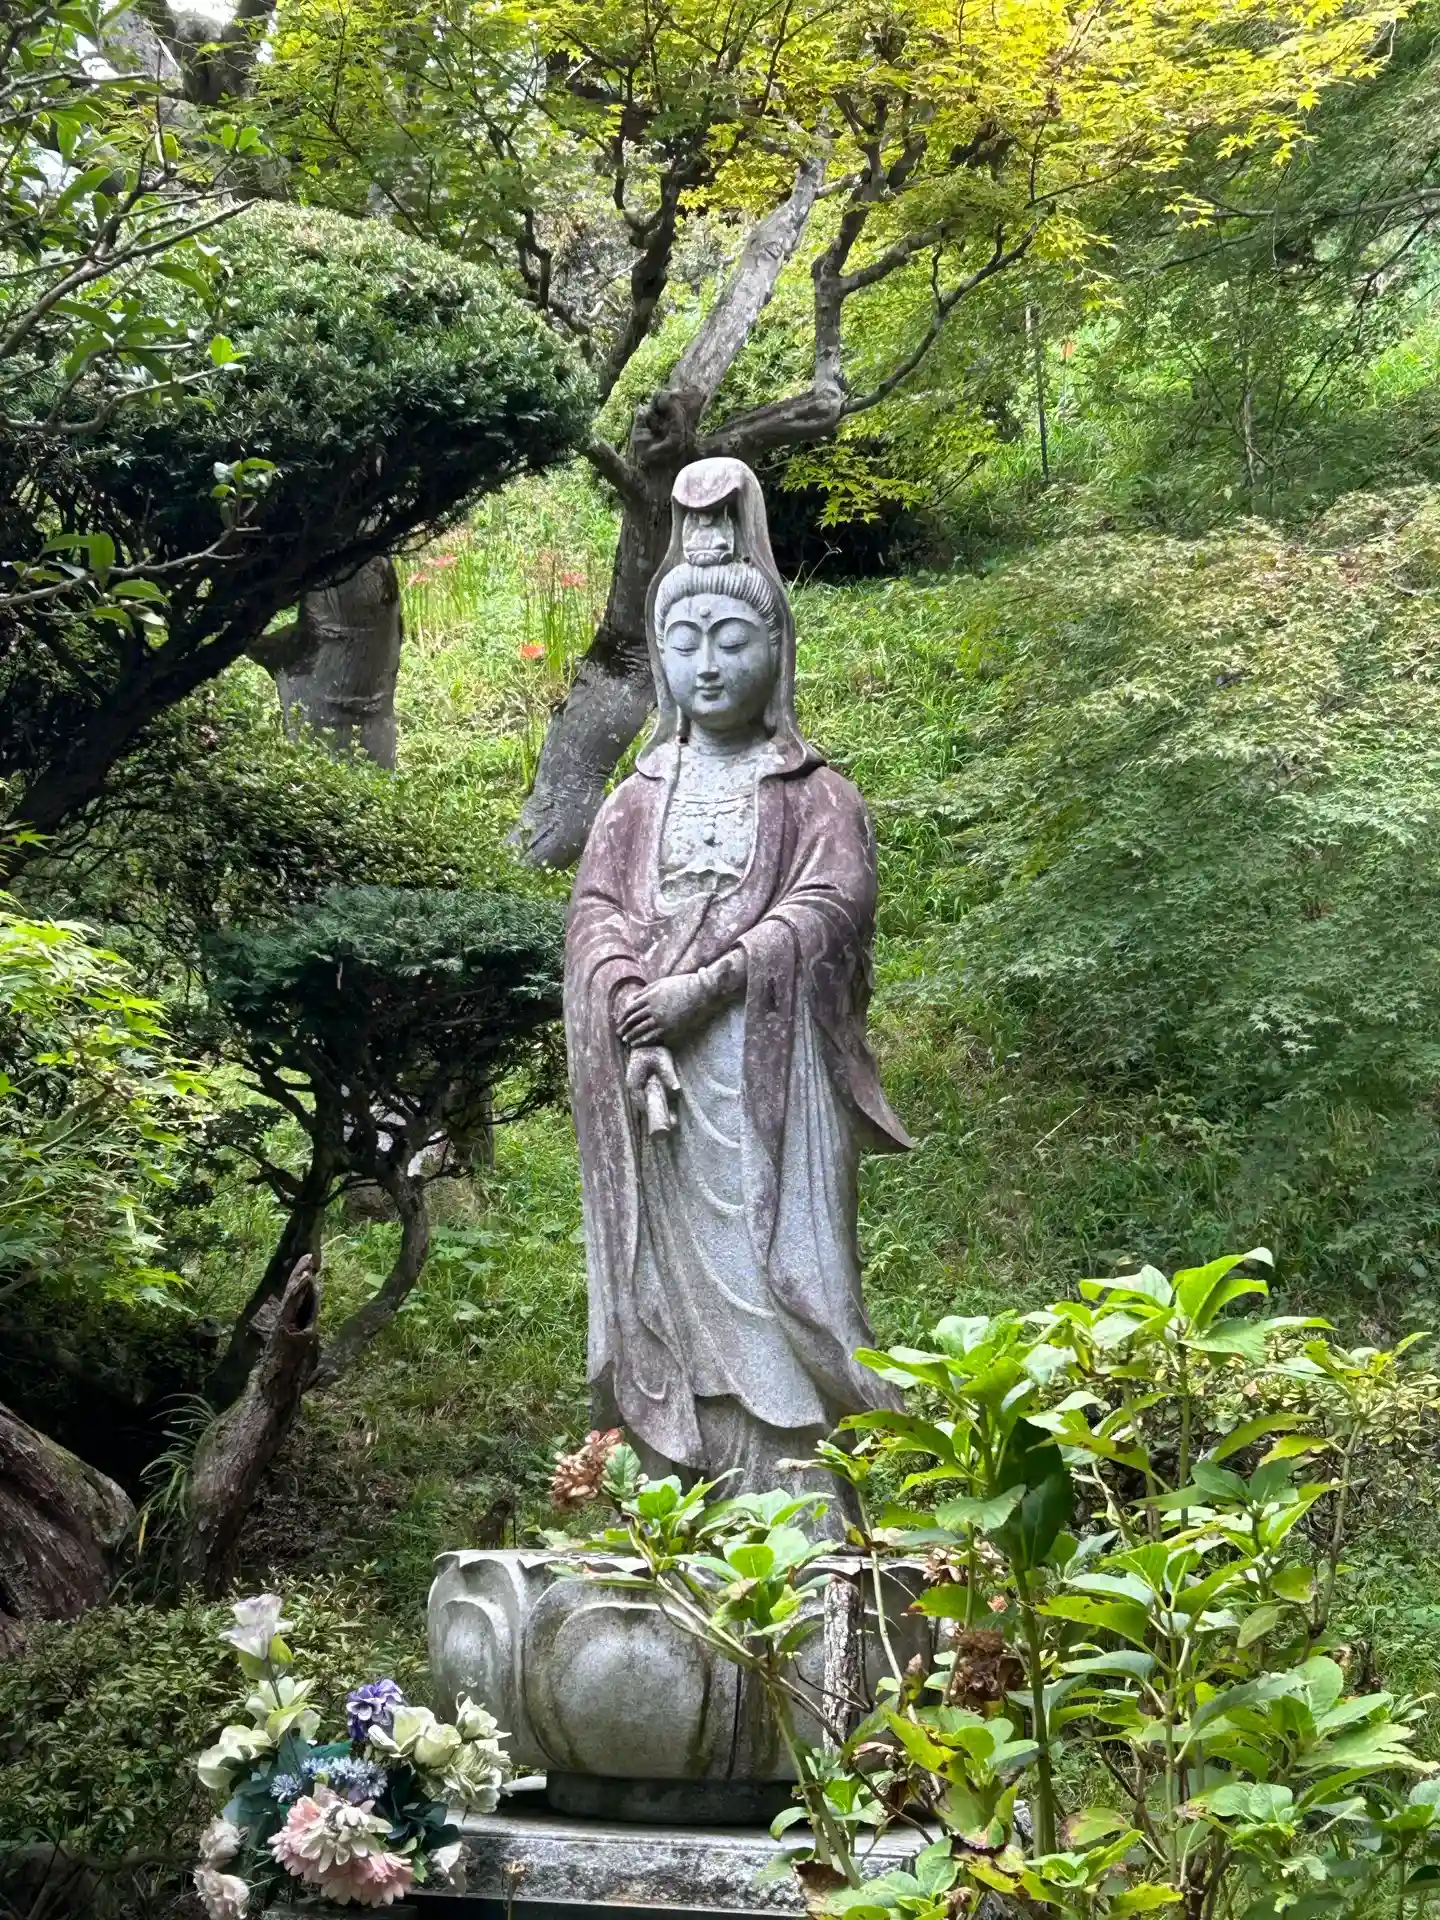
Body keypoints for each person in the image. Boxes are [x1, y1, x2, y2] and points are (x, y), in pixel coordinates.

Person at [564, 457, 908, 1506]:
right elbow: (596, 913)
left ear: (776, 647)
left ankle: (800, 1490)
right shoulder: (636, 796)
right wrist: (632, 1008)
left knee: (778, 1271)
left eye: (730, 638)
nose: (706, 664)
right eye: (683, 641)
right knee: (665, 1287)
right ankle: (678, 1480)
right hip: (659, 1082)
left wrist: (708, 986)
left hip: (770, 1078)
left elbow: (830, 908)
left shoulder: (816, 794)